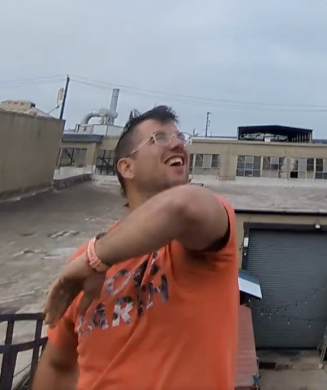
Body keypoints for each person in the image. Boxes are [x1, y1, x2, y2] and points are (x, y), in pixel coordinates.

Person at [34, 105, 239, 390]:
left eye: (180, 137)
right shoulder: (82, 261)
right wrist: (92, 258)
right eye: (160, 138)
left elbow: (182, 206)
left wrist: (96, 259)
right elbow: (57, 365)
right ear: (126, 167)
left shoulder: (204, 233)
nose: (179, 143)